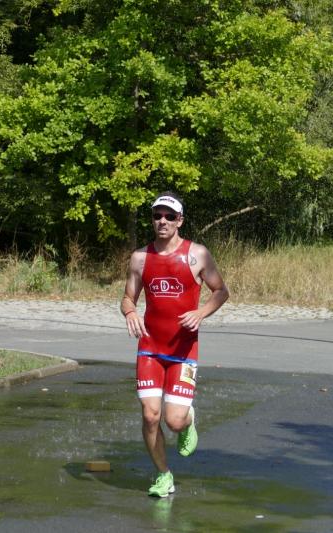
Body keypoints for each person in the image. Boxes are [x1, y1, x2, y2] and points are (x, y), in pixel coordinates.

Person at [121, 192, 229, 498]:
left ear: (180, 220)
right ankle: (163, 475)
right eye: (157, 215)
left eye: (169, 216)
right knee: (150, 415)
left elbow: (221, 291)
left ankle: (188, 420)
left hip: (183, 351)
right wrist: (130, 311)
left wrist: (201, 312)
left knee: (174, 420)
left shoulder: (197, 255)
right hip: (150, 348)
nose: (162, 221)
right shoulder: (140, 258)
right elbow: (128, 297)